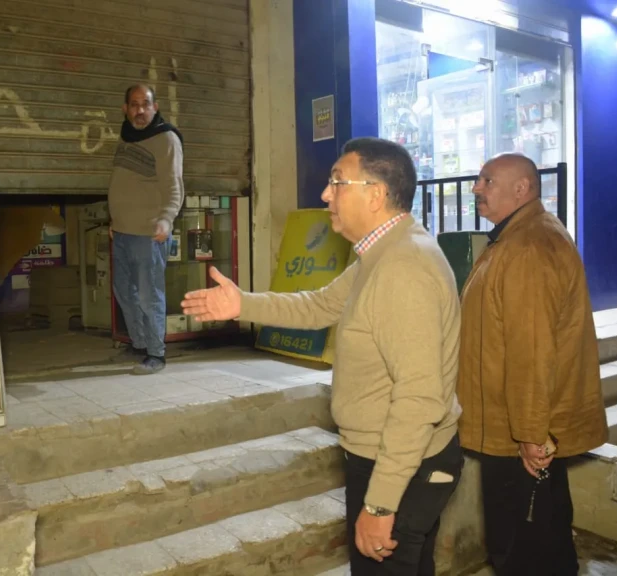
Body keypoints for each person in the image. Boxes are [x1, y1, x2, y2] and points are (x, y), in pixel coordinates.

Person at [182, 137, 463, 575]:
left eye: (337, 182)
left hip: (402, 464)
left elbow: (419, 398)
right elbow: (319, 306)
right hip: (389, 456)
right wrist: (243, 304)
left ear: (375, 194)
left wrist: (380, 503)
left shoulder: (403, 267)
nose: (326, 194)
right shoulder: (382, 252)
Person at [457, 153, 608, 576]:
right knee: (544, 532)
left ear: (521, 189)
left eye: (487, 181)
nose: (476, 188)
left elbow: (532, 350)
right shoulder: (520, 235)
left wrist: (529, 434)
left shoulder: (527, 247)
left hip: (517, 433)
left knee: (522, 544)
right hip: (516, 427)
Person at [108, 84, 184, 375]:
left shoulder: (166, 138)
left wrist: (166, 219)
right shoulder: (127, 136)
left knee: (148, 295)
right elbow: (125, 183)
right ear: (125, 109)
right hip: (122, 231)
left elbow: (174, 186)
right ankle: (139, 344)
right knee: (124, 292)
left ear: (155, 107)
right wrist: (115, 220)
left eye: (146, 104)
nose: (140, 110)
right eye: (134, 104)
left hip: (148, 233)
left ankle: (156, 354)